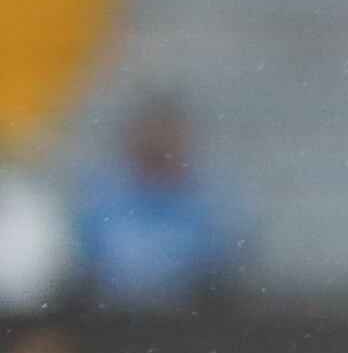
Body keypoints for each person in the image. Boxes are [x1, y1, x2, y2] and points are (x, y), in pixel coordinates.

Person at [73, 90, 244, 308]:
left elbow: (221, 270)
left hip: (194, 318)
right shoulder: (100, 198)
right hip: (107, 316)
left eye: (166, 133)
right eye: (149, 133)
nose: (157, 143)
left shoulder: (214, 204)